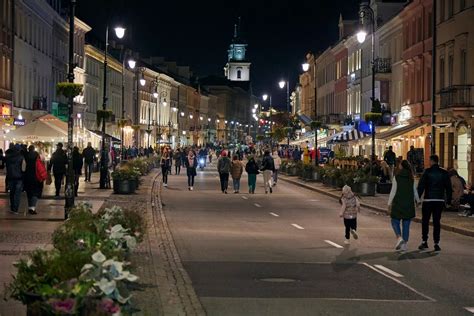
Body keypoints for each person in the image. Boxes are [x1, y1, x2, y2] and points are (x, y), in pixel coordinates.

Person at [417, 155, 452, 252]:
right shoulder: (444, 173)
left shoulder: (427, 172)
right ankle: (436, 243)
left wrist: (417, 198)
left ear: (431, 161)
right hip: (439, 200)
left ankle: (424, 241)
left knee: (425, 221)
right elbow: (448, 188)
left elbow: (421, 186)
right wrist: (448, 201)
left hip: (428, 200)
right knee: (437, 222)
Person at [388, 160, 420, 251]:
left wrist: (389, 203)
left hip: (398, 202)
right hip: (409, 204)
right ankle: (404, 245)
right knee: (406, 224)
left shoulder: (397, 177)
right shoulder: (411, 177)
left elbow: (393, 191)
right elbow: (414, 191)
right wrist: (418, 200)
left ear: (401, 166)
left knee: (394, 221)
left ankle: (399, 237)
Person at [5, 144, 25, 214]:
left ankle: (12, 208)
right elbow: (24, 169)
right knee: (17, 194)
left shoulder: (7, 157)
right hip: (19, 178)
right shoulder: (21, 158)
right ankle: (15, 209)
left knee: (12, 193)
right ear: (19, 150)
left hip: (10, 177)